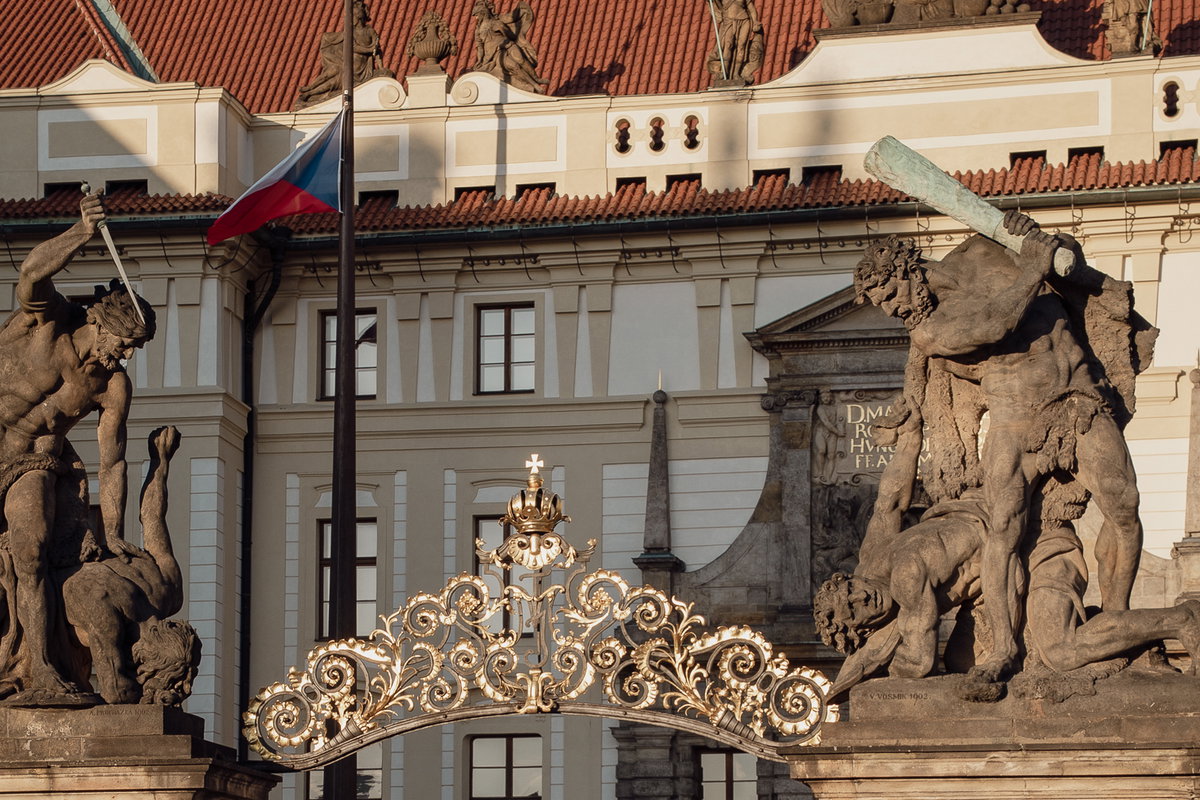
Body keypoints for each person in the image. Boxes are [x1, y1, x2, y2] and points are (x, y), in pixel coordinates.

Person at [853, 211, 1146, 685]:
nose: (890, 309)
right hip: (1013, 415)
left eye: (889, 294)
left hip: (1077, 396)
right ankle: (1004, 649)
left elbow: (1066, 265)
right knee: (1002, 530)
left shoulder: (981, 250)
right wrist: (1034, 265)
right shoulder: (929, 330)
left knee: (1125, 506)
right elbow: (996, 324)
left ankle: (1117, 616)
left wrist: (1036, 238)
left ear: (908, 269)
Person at [814, 487, 1200, 702]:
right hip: (996, 578)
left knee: (1061, 650)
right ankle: (1122, 636)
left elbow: (918, 664)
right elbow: (890, 496)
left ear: (850, 578)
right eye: (854, 611)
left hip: (1037, 548)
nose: (861, 600)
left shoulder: (905, 577)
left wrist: (874, 656)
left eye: (851, 591)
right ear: (860, 627)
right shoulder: (875, 556)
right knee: (962, 661)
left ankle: (1181, 620)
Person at [0, 192, 155, 702]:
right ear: (102, 322)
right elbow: (29, 276)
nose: (126, 355)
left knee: (33, 551)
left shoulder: (111, 386)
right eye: (125, 342)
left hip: (35, 460)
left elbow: (112, 462)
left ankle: (41, 670)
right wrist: (80, 233)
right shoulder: (50, 320)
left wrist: (110, 530)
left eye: (134, 349)